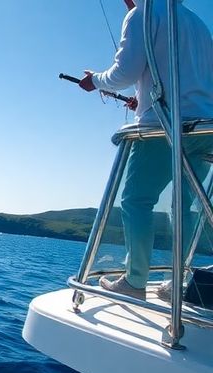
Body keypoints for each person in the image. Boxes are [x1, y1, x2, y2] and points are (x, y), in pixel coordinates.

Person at [78, 0, 213, 300]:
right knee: (183, 206)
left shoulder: (142, 14)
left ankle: (135, 281)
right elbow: (189, 81)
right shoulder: (197, 23)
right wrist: (143, 99)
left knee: (136, 200)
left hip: (164, 129)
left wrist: (95, 81)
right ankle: (175, 283)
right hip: (205, 129)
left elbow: (123, 74)